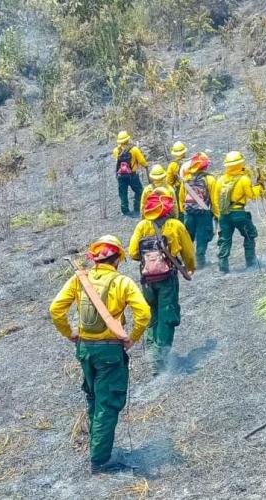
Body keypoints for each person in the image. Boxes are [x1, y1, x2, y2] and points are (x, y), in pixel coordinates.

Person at [49, 235, 151, 474]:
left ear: (95, 259)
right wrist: (132, 338)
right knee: (107, 402)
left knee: (94, 398)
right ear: (117, 259)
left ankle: (97, 447)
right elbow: (144, 314)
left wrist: (70, 333)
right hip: (110, 350)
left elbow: (56, 310)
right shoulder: (122, 283)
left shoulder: (79, 279)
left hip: (84, 349)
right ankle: (100, 460)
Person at [128, 193, 195, 376]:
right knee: (167, 316)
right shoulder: (175, 225)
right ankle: (160, 360)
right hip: (167, 279)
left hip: (147, 281)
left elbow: (133, 252)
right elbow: (188, 252)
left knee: (152, 316)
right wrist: (190, 268)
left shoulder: (142, 226)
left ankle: (151, 354)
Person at [215, 151, 265, 274]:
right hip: (239, 214)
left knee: (225, 239)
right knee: (249, 235)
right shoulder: (244, 179)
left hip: (224, 215)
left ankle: (223, 267)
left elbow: (216, 199)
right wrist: (260, 186)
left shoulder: (220, 180)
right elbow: (252, 195)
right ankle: (251, 262)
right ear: (241, 163)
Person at [179, 152, 219, 269]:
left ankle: (187, 261)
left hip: (189, 213)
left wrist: (184, 211)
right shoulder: (210, 180)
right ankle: (200, 261)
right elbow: (214, 199)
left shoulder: (186, 179)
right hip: (204, 213)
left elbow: (181, 198)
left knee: (188, 237)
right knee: (202, 237)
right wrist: (217, 215)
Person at [112, 131, 148, 218]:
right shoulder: (134, 149)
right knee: (139, 191)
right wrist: (146, 165)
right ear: (128, 139)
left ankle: (125, 211)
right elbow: (142, 161)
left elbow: (116, 161)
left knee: (123, 193)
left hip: (121, 176)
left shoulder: (116, 150)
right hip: (132, 175)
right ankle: (136, 207)